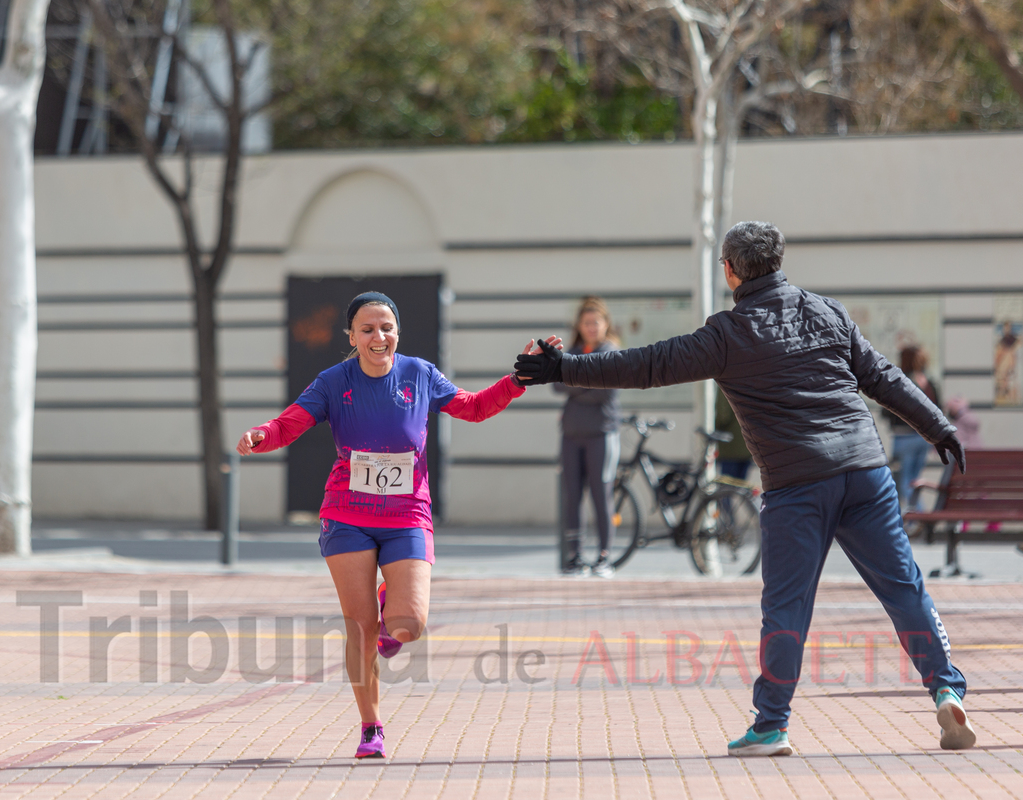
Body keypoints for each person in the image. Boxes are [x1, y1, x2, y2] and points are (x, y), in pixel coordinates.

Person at [516, 221, 974, 756]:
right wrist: (938, 427)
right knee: (903, 587)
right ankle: (945, 687)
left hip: (796, 484)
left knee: (787, 606)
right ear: (779, 262)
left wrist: (562, 367)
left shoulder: (728, 334)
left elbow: (646, 365)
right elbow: (884, 377)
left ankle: (772, 725)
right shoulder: (828, 311)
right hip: (864, 472)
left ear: (731, 270)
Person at [236, 292, 555, 760]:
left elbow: (472, 406)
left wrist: (517, 380)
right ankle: (371, 726)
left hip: (407, 514)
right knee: (361, 628)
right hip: (347, 514)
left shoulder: (420, 374)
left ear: (397, 333)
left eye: (386, 327)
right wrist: (260, 436)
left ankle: (392, 605)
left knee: (408, 624)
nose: (378, 337)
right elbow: (288, 425)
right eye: (367, 329)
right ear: (351, 337)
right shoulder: (333, 382)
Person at [555, 297, 621, 577]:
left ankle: (604, 557)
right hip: (571, 435)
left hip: (601, 435)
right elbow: (557, 385)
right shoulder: (571, 352)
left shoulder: (612, 353)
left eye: (596, 322)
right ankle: (575, 557)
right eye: (586, 323)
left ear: (606, 324)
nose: (591, 327)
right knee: (572, 496)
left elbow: (605, 391)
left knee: (600, 495)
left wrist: (575, 384)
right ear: (579, 326)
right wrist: (588, 381)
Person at [883, 345, 940, 510]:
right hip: (923, 439)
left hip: (903, 437)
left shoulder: (900, 382)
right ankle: (916, 518)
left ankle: (919, 517)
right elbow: (938, 410)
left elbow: (888, 410)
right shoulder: (930, 383)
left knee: (904, 481)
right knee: (914, 480)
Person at [714, 390, 752, 482]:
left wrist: (714, 427)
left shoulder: (724, 382)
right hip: (748, 444)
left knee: (727, 488)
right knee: (740, 488)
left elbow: (723, 417)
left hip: (731, 444)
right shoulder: (750, 381)